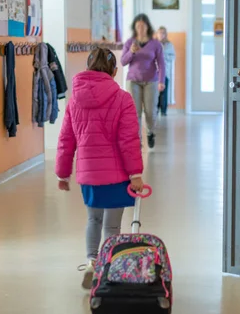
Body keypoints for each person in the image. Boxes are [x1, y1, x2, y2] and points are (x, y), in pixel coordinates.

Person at [55, 48, 144, 289]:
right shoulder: (123, 98)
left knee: (93, 220)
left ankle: (92, 261)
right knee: (112, 226)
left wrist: (63, 174)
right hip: (117, 176)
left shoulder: (75, 100)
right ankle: (110, 265)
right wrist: (135, 175)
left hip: (89, 176)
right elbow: (129, 140)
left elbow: (66, 140)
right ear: (114, 72)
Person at [121, 14, 166, 149]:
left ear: (148, 27)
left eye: (143, 25)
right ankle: (137, 141)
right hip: (133, 80)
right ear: (135, 27)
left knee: (151, 112)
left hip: (151, 81)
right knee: (135, 112)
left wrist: (161, 81)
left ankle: (150, 132)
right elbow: (123, 61)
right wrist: (131, 52)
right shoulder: (130, 42)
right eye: (138, 26)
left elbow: (162, 64)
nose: (140, 28)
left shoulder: (155, 44)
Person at [156, 26, 175, 117]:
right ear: (157, 34)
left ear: (166, 34)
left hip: (165, 72)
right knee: (155, 92)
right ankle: (155, 109)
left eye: (163, 33)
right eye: (160, 32)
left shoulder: (169, 45)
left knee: (164, 92)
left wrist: (163, 55)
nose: (161, 35)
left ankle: (163, 111)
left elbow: (172, 57)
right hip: (155, 72)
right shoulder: (154, 44)